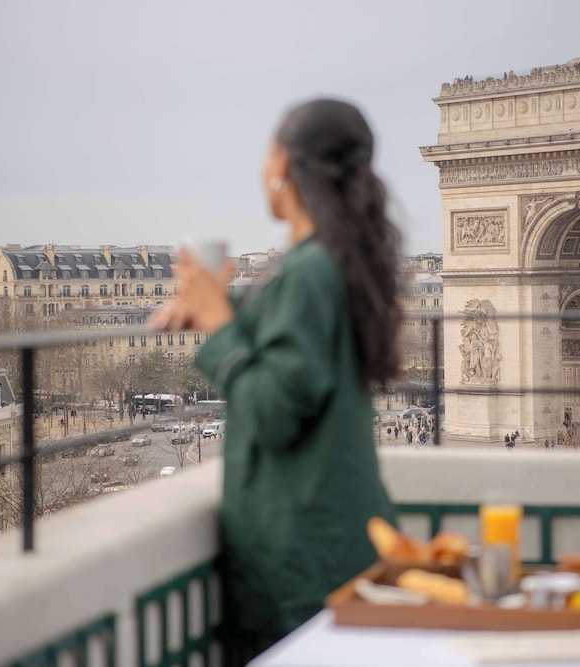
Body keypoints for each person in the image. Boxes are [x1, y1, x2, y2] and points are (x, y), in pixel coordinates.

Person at [151, 99, 400, 658]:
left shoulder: (309, 272)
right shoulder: (333, 261)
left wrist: (218, 323)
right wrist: (223, 306)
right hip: (334, 542)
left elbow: (274, 412)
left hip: (298, 560)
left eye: (268, 152)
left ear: (284, 166)